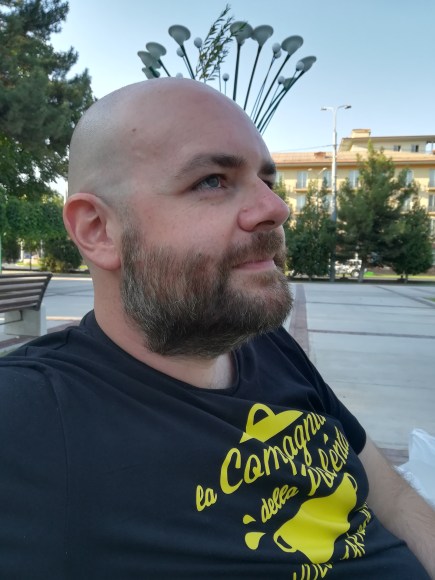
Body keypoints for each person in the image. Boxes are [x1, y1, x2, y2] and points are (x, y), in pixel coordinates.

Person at [0, 78, 434, 580]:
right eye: (212, 181)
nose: (276, 209)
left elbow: (393, 497)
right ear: (98, 230)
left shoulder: (269, 344)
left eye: (266, 181)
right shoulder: (31, 414)